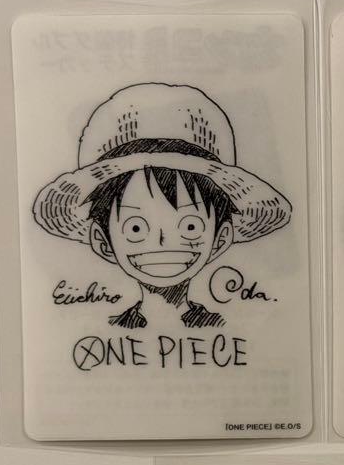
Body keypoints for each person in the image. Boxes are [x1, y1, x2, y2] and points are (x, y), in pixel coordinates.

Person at [33, 82, 292, 329]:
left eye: (190, 226)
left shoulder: (222, 327)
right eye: (135, 228)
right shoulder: (113, 328)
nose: (161, 241)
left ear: (221, 238)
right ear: (102, 242)